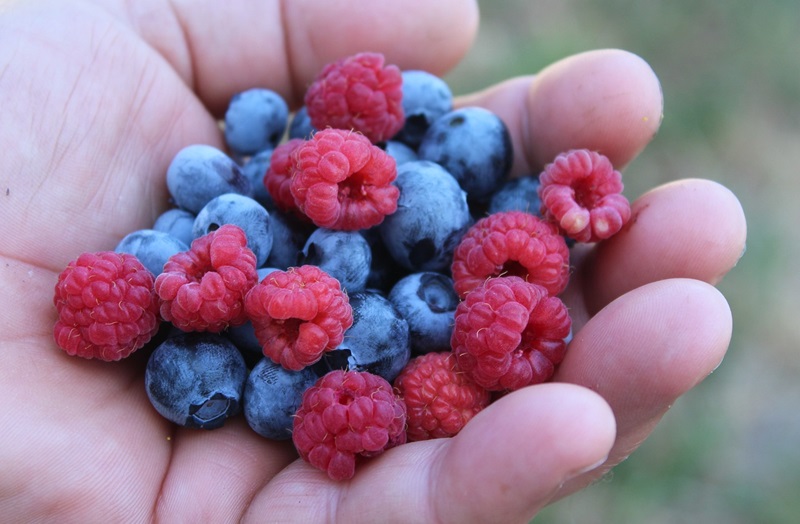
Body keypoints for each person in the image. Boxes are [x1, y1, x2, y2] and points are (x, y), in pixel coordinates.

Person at [0, 1, 746, 522]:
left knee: (420, 221)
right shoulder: (231, 235)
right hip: (275, 280)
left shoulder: (414, 214)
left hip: (347, 280)